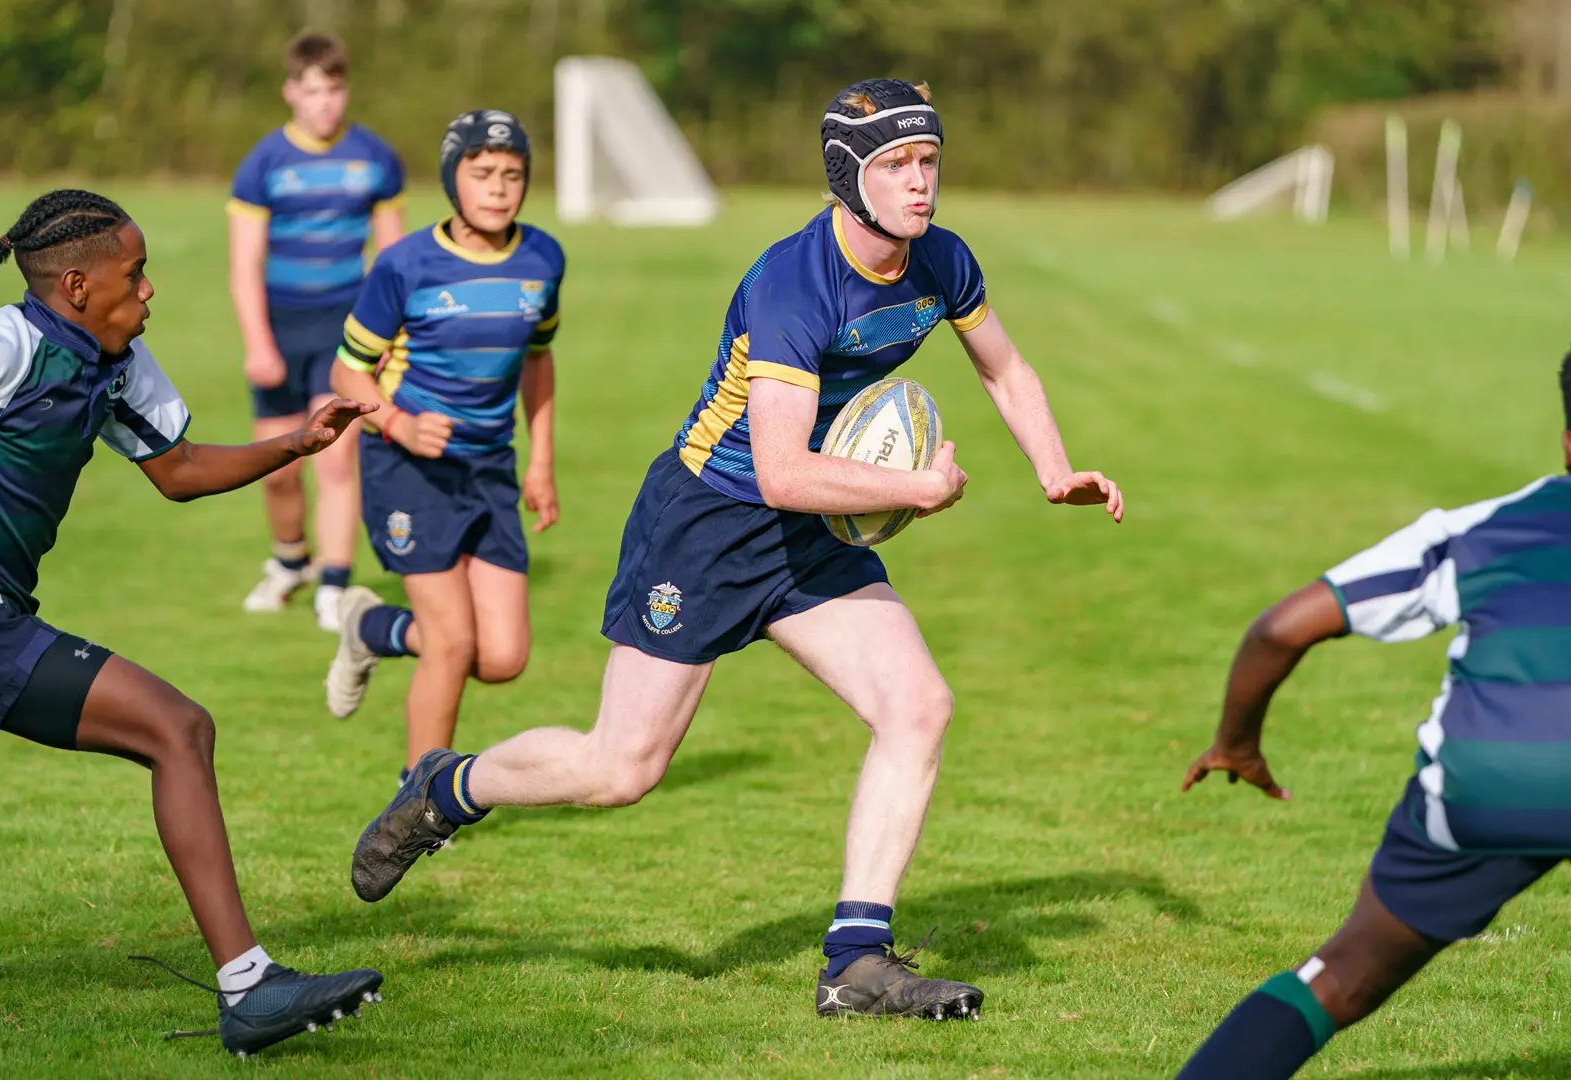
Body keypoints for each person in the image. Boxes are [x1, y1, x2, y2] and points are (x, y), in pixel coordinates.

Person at [347, 79, 1124, 1020]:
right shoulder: (794, 283)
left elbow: (1004, 365)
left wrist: (1055, 467)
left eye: (929, 163)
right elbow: (784, 470)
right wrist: (914, 491)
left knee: (918, 705)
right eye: (897, 166)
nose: (921, 185)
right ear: (848, 175)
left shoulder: (941, 262)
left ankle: (857, 960)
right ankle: (450, 785)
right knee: (620, 770)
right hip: (709, 521)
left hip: (811, 531)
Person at [0, 190, 384, 1059]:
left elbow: (177, 468)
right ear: (76, 284)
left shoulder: (116, 363)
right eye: (135, 275)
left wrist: (294, 444)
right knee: (177, 729)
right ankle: (249, 987)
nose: (149, 292)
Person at [1174, 313, 1571, 1078]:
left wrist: (1237, 742)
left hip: (1475, 782)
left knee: (1340, 975)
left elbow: (1280, 628)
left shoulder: (1478, 528)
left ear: (1569, 440)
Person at [324, 110, 562, 780]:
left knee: (503, 657)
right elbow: (348, 369)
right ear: (452, 180)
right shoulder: (405, 265)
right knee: (453, 641)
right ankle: (420, 795)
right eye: (482, 174)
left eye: (512, 176)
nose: (499, 188)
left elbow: (539, 360)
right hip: (407, 467)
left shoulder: (543, 259)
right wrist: (395, 423)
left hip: (490, 467)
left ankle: (372, 631)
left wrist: (541, 460)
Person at [228, 29, 406, 630]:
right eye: (313, 91)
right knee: (279, 468)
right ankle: (289, 563)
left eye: (334, 90)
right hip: (280, 328)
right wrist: (258, 343)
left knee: (334, 463)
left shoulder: (376, 159)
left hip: (344, 330)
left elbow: (394, 262)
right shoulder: (263, 164)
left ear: (344, 91)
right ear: (290, 93)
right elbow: (244, 263)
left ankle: (334, 581)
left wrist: (390, 340)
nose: (325, 103)